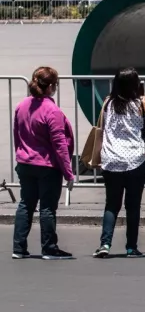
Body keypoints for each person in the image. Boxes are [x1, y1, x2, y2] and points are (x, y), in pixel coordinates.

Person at [12, 67, 75, 260]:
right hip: (47, 166)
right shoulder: (52, 110)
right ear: (50, 87)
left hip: (25, 163)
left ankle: (19, 248)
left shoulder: (21, 106)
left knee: (26, 204)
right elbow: (60, 144)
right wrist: (68, 173)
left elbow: (17, 134)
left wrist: (20, 155)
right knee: (47, 207)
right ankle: (49, 247)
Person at [93, 68, 145, 258]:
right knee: (133, 206)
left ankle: (105, 244)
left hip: (111, 160)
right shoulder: (141, 103)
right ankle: (131, 247)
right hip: (135, 159)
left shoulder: (108, 103)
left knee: (111, 204)